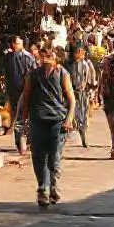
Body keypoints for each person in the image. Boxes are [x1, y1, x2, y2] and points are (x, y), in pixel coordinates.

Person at [15, 47, 76, 207]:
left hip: (57, 120)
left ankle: (54, 188)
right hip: (37, 119)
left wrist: (69, 118)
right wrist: (25, 120)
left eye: (50, 56)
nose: (47, 59)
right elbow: (26, 98)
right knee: (38, 157)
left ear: (56, 58)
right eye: (44, 56)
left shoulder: (63, 74)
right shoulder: (33, 75)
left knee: (54, 157)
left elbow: (71, 99)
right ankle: (43, 189)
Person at [3, 36, 37, 156]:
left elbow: (33, 74)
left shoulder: (27, 57)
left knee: (27, 116)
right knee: (17, 118)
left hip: (26, 92)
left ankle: (28, 141)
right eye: (14, 43)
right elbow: (7, 75)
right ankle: (19, 143)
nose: (15, 45)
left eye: (18, 43)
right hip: (14, 92)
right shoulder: (8, 57)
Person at [66, 44, 97, 148]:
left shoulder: (85, 64)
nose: (82, 54)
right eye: (80, 52)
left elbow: (88, 78)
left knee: (81, 115)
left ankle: (83, 138)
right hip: (70, 92)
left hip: (81, 93)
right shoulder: (68, 64)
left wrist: (87, 87)